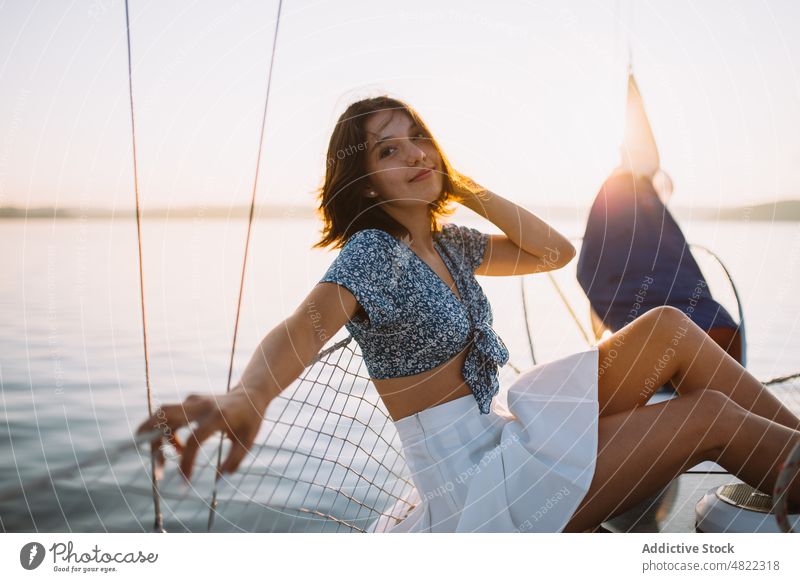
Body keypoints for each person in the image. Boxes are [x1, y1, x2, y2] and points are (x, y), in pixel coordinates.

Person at [137, 96, 800, 532]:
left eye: (417, 136)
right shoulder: (376, 254)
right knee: (708, 417)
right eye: (388, 151)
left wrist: (462, 187)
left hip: (505, 437)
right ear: (365, 182)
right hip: (477, 492)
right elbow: (303, 328)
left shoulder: (448, 245)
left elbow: (553, 250)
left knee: (666, 329)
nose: (413, 152)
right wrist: (252, 392)